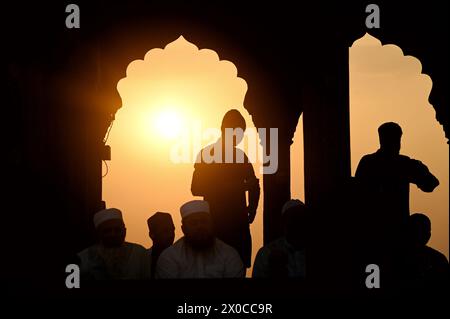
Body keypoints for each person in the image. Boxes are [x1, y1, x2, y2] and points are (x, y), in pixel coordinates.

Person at [191, 109, 260, 268]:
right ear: (224, 130)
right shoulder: (207, 154)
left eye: (241, 133)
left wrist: (252, 208)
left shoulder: (240, 156)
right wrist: (239, 187)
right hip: (216, 224)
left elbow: (254, 185)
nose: (239, 137)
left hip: (238, 224)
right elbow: (196, 188)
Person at [355, 122, 439, 237]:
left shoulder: (368, 162)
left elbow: (430, 184)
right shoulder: (403, 164)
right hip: (390, 229)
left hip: (373, 229)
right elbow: (431, 184)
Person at [155, 200, 245, 278]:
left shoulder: (229, 255)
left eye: (204, 221)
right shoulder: (170, 257)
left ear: (212, 224)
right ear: (183, 229)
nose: (200, 226)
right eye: (193, 223)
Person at [78, 208, 150, 280]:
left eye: (117, 230)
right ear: (98, 233)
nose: (113, 234)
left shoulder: (140, 254)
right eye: (107, 231)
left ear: (125, 231)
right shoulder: (83, 258)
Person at [253, 199, 308, 278]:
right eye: (292, 218)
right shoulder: (266, 253)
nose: (296, 223)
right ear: (283, 223)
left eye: (300, 218)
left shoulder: (265, 252)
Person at [405, 213, 449, 288]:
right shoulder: (438, 258)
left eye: (423, 231)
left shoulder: (438, 259)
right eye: (416, 231)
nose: (420, 235)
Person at [147, 212, 175, 279]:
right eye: (166, 231)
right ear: (152, 234)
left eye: (172, 230)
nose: (171, 235)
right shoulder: (144, 260)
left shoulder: (180, 256)